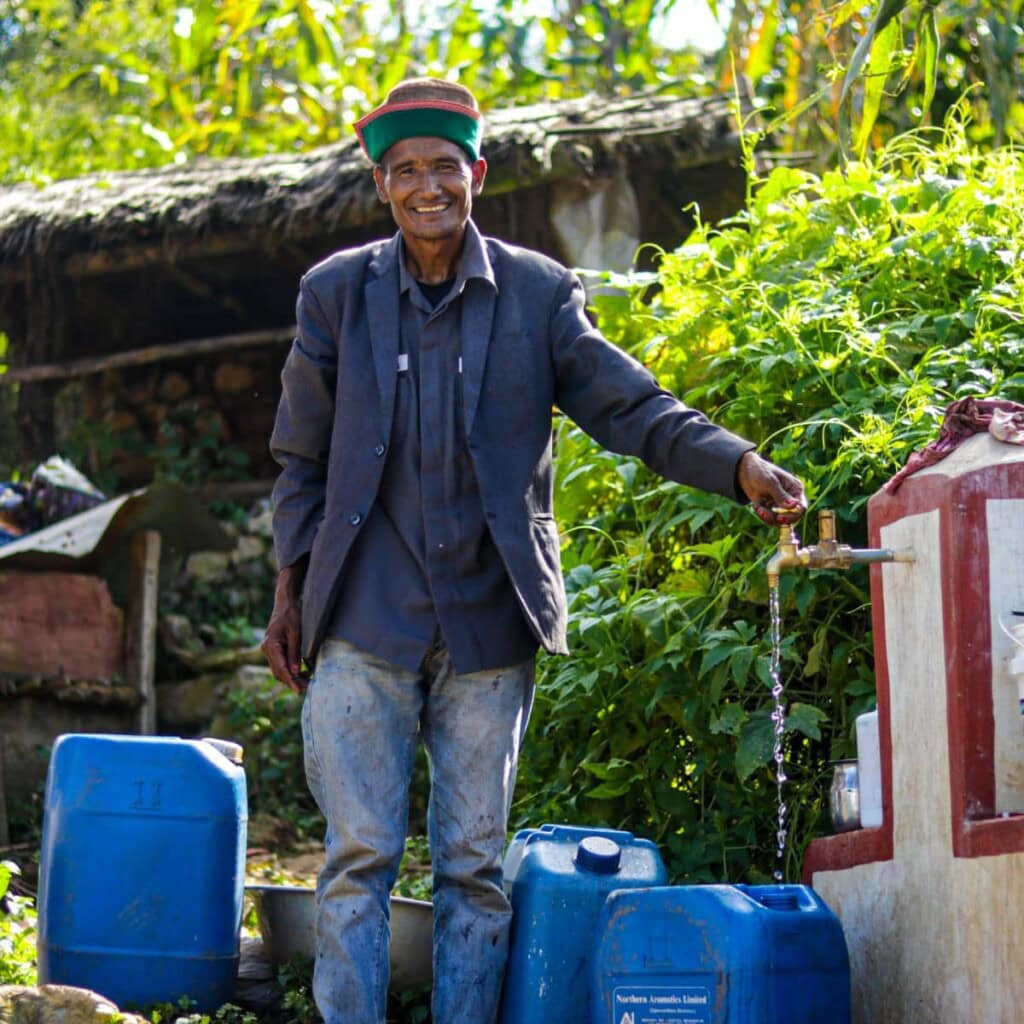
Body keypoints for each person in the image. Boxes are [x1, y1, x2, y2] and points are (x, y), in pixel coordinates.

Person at [262, 78, 806, 1024]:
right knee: (359, 859)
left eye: (443, 166)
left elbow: (631, 408)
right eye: (405, 171)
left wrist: (740, 464)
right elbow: (299, 458)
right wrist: (290, 593)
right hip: (361, 618)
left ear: (476, 172)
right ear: (382, 186)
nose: (426, 185)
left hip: (489, 620)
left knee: (473, 866)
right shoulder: (336, 294)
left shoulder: (540, 294)